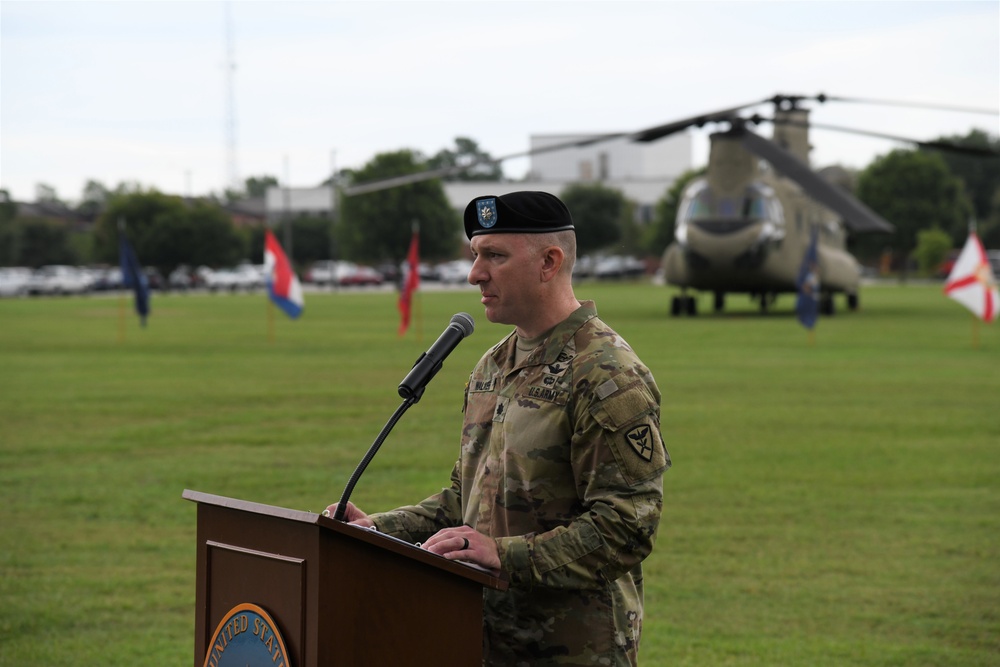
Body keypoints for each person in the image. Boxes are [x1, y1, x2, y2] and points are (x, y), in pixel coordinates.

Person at [327, 191, 669, 666]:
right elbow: (464, 499)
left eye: (495, 256)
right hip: (480, 640)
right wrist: (378, 530)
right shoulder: (494, 364)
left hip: (571, 651)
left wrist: (503, 556)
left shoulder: (606, 374)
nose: (475, 274)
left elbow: (626, 528)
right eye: (475, 255)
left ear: (549, 262)